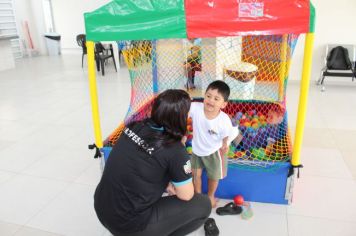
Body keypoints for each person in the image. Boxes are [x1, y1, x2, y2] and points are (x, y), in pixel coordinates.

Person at [94, 89, 212, 236]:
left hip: (101, 206)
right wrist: (175, 184)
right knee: (203, 204)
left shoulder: (134, 126)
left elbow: (142, 161)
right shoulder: (175, 150)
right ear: (181, 117)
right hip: (129, 226)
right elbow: (187, 195)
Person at [189, 80, 241, 207]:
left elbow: (227, 135)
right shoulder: (196, 108)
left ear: (223, 104)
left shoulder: (223, 120)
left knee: (214, 176)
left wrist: (225, 144)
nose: (211, 100)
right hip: (197, 150)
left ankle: (210, 196)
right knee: (196, 174)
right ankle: (198, 197)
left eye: (216, 99)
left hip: (215, 151)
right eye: (208, 96)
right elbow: (183, 106)